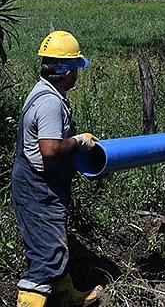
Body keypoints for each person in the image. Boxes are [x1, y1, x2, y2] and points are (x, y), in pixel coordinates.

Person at [11, 31, 102, 307]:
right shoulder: (50, 103)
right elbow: (50, 150)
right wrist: (78, 141)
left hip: (42, 185)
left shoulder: (45, 91)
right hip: (37, 187)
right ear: (66, 72)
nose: (77, 74)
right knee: (47, 256)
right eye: (75, 67)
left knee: (54, 245)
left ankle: (65, 295)